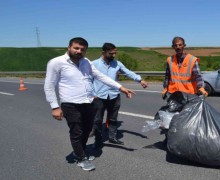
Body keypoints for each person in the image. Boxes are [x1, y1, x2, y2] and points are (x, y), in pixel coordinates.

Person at [44, 37, 135, 171]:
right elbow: (49, 85)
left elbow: (100, 76)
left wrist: (120, 87)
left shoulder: (86, 62)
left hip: (88, 101)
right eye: (76, 48)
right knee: (77, 131)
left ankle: (78, 151)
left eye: (82, 49)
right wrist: (55, 106)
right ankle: (81, 158)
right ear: (69, 47)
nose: (79, 51)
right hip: (70, 104)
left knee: (87, 130)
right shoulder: (56, 63)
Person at [91, 42, 148, 148]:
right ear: (103, 52)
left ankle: (112, 137)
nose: (113, 55)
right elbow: (88, 80)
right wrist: (92, 94)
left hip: (114, 95)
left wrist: (140, 80)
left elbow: (128, 72)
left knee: (113, 118)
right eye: (111, 53)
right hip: (99, 96)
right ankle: (98, 140)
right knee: (98, 120)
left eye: (115, 53)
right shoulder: (94, 64)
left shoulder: (117, 64)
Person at [161, 36, 208, 144]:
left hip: (188, 95)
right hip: (173, 95)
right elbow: (167, 76)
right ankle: (170, 140)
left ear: (184, 46)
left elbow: (198, 76)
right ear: (173, 47)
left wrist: (201, 87)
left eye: (180, 45)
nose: (178, 47)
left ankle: (186, 142)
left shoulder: (192, 60)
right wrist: (165, 88)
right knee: (171, 118)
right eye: (175, 45)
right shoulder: (170, 60)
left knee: (186, 120)